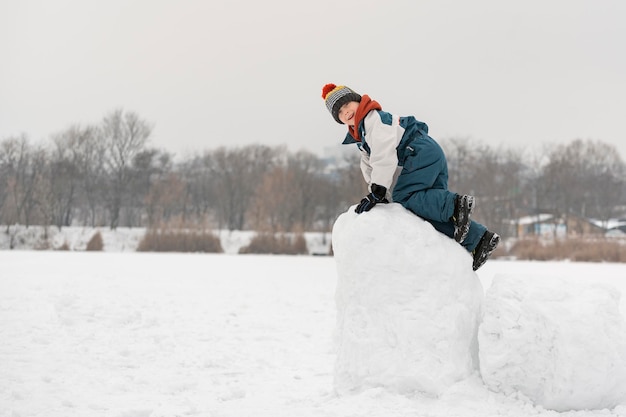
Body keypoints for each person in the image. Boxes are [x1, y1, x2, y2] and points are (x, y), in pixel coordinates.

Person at [321, 83, 499, 271]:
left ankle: (456, 204)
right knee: (425, 210)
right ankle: (479, 240)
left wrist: (379, 190)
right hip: (427, 152)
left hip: (420, 151)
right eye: (339, 112)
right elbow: (369, 165)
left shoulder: (374, 120)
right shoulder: (362, 134)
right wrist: (375, 193)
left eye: (347, 104)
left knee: (404, 197)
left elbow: (383, 156)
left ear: (358, 101)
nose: (346, 112)